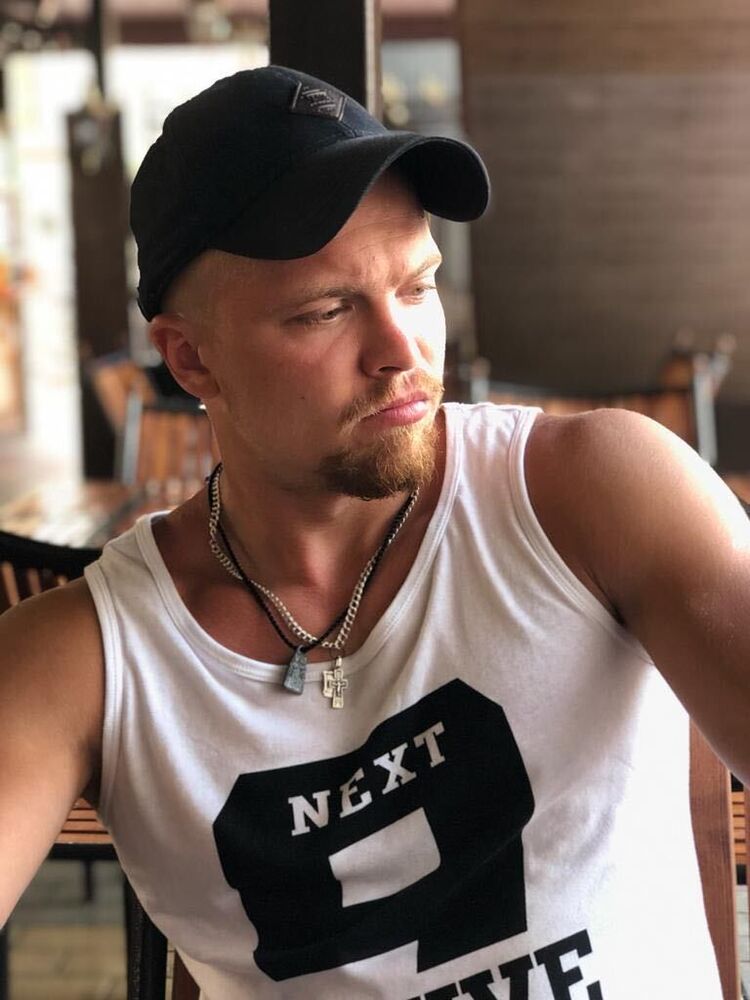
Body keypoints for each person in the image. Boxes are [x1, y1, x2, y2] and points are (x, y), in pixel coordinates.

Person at [1, 65, 749, 1000]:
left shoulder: (592, 495)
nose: (403, 350)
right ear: (192, 359)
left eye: (418, 285)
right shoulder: (88, 658)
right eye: (326, 310)